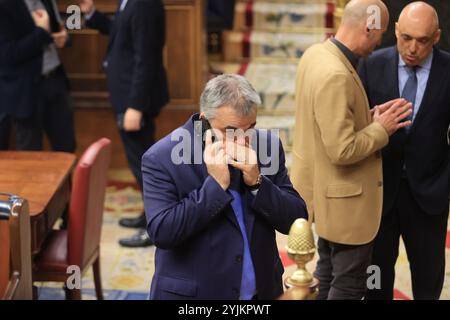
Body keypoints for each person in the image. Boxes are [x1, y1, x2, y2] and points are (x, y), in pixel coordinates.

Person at [142, 74, 308, 299]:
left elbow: (296, 220)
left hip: (262, 293)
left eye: (249, 128)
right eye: (231, 131)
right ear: (204, 121)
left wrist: (258, 183)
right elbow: (163, 232)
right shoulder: (162, 157)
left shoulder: (266, 145)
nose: (242, 141)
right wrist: (215, 188)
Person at [290, 0, 413, 300]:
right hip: (347, 201)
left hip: (324, 192)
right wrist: (381, 129)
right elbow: (342, 149)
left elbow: (326, 124)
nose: (381, 43)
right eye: (381, 33)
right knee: (348, 283)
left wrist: (365, 120)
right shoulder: (336, 74)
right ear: (368, 27)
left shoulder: (316, 54)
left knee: (327, 273)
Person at [358, 1, 450, 300]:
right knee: (375, 280)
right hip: (380, 194)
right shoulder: (372, 64)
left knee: (428, 280)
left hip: (429, 197)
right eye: (405, 38)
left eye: (422, 40)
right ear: (395, 30)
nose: (412, 48)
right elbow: (355, 126)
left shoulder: (448, 70)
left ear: (436, 37)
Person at [78, 0, 169, 247]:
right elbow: (120, 32)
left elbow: (146, 58)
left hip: (135, 100)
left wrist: (136, 107)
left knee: (145, 168)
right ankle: (150, 216)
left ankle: (157, 225)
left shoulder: (144, 5)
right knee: (142, 162)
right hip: (127, 97)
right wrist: (92, 15)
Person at [0, 0, 76, 152]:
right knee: (30, 153)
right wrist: (41, 32)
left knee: (66, 148)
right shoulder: (5, 5)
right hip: (25, 90)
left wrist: (65, 38)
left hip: (55, 81)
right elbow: (8, 54)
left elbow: (56, 31)